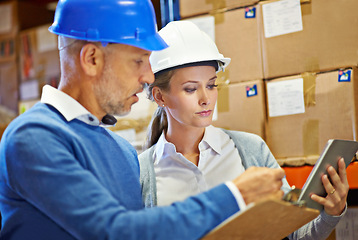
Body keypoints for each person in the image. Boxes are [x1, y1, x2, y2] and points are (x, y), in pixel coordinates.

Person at [0, 1, 286, 239]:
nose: (149, 77)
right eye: (139, 60)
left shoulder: (121, 150)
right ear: (91, 59)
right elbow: (116, 232)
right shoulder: (34, 136)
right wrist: (235, 195)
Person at [139, 20, 349, 239]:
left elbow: (294, 233)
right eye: (191, 89)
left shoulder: (251, 149)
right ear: (160, 96)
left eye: (211, 85)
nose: (206, 99)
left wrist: (330, 213)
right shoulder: (142, 174)